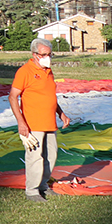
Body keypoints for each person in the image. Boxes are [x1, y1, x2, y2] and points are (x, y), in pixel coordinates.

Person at [9, 38, 71, 203]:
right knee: (35, 157)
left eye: (49, 54)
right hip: (33, 123)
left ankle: (43, 185)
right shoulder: (25, 71)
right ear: (34, 54)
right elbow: (13, 97)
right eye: (44, 55)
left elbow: (49, 96)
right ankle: (32, 191)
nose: (47, 57)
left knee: (51, 155)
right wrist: (21, 123)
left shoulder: (48, 71)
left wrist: (61, 114)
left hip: (50, 122)